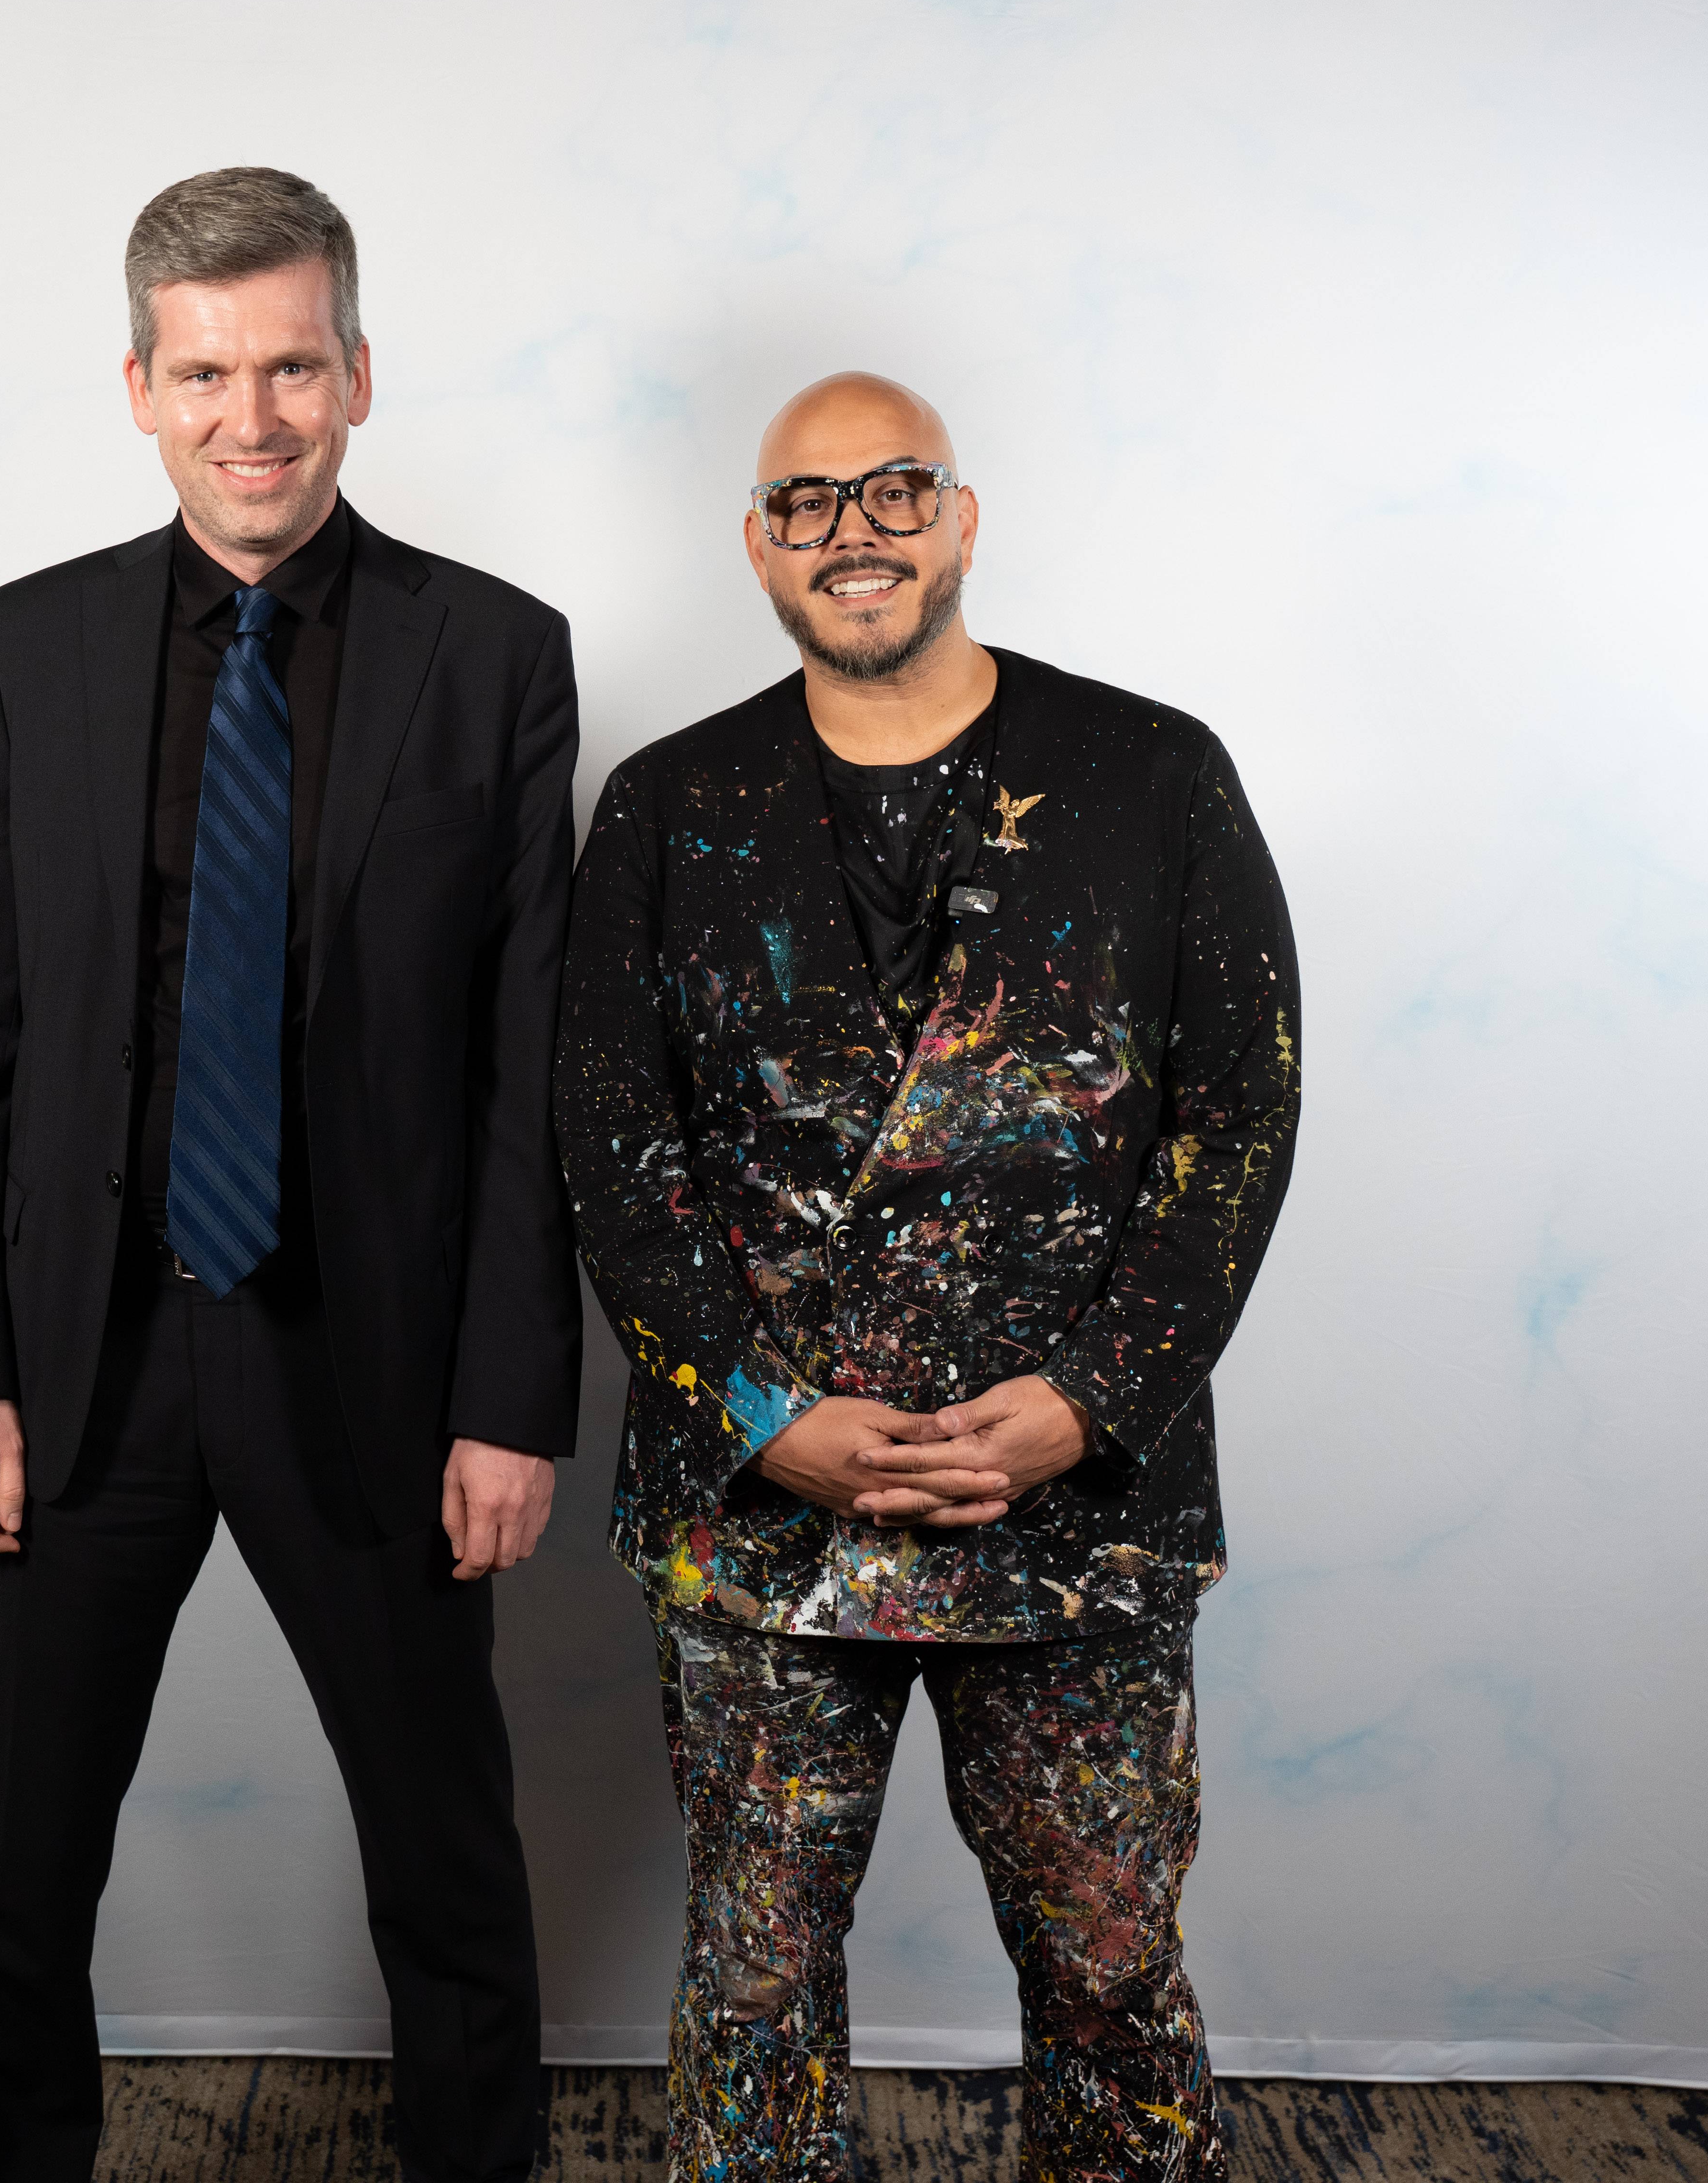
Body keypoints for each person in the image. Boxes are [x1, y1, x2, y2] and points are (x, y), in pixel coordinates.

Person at [0, 167, 581, 2183]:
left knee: (444, 1852)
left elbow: (527, 1074)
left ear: (358, 373)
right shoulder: (35, 642)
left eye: (291, 366)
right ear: (140, 387)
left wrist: (512, 1398)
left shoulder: (496, 655)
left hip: (374, 1367)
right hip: (88, 1354)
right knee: (21, 1861)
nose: (250, 416)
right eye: (205, 374)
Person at [556, 372, 1300, 2181]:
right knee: (754, 1993)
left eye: (894, 490)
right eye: (806, 504)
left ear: (962, 520)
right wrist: (762, 1412)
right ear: (759, 549)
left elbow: (1238, 1128)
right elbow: (611, 1156)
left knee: (1112, 1979)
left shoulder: (1155, 776)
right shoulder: (669, 805)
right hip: (765, 1519)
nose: (853, 533)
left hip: (1073, 1512)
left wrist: (1087, 1404)